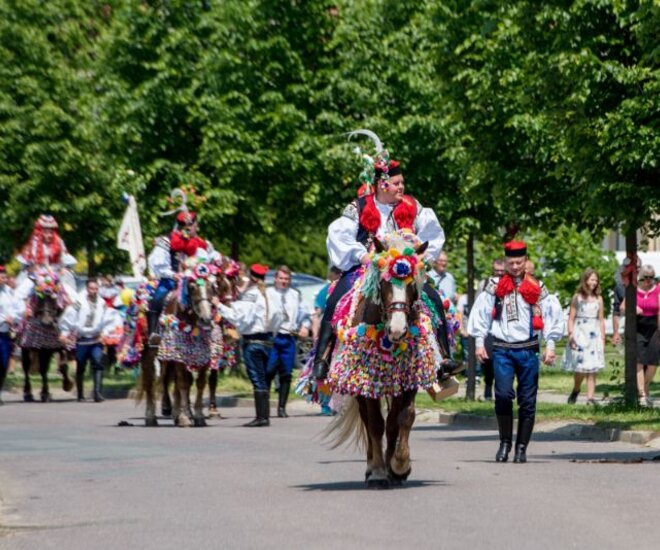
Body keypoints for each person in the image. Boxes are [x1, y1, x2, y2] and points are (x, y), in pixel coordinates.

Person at [313, 141, 460, 381]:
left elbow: (433, 234)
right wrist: (363, 255)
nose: (402, 187)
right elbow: (338, 235)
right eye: (397, 183)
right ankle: (323, 360)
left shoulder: (413, 206)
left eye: (402, 182)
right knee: (336, 299)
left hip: (406, 270)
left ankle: (444, 359)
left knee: (433, 299)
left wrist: (418, 250)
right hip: (366, 269)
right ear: (383, 184)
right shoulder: (358, 207)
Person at [467, 241, 564, 463]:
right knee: (502, 395)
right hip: (502, 349)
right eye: (511, 262)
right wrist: (480, 342)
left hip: (528, 350)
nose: (515, 266)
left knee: (528, 401)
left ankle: (521, 448)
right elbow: (481, 314)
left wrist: (550, 346)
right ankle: (504, 443)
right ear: (506, 262)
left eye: (519, 262)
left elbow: (551, 316)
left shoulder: (538, 287)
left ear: (526, 261)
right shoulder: (494, 286)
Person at [216, 264, 282, 427]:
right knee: (263, 379)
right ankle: (264, 416)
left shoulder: (250, 295)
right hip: (267, 341)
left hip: (252, 342)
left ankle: (262, 417)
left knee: (257, 380)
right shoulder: (270, 294)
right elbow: (279, 317)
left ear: (251, 278)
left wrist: (218, 305)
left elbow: (237, 317)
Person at [147, 210, 217, 344]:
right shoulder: (167, 241)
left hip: (198, 281)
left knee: (211, 296)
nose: (194, 228)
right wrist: (174, 274)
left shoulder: (202, 243)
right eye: (189, 226)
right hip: (172, 280)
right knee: (157, 297)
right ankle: (153, 332)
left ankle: (213, 327)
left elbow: (212, 258)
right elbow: (157, 263)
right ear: (182, 227)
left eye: (194, 225)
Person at [59, 279, 120, 402]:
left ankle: (97, 393)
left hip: (96, 339)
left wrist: (105, 332)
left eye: (96, 289)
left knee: (98, 362)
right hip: (82, 339)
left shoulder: (102, 303)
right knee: (81, 365)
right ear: (87, 289)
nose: (94, 291)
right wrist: (64, 333)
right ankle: (80, 393)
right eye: (92, 289)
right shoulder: (79, 303)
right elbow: (69, 317)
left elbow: (108, 319)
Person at [266, 265, 311, 418]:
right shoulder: (267, 293)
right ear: (275, 279)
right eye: (281, 278)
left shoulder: (295, 294)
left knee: (286, 373)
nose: (283, 281)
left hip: (288, 337)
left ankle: (281, 408)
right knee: (269, 371)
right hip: (272, 337)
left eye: (286, 279)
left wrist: (305, 326)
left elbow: (304, 314)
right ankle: (263, 406)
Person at [562, 269, 606, 405]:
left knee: (592, 368)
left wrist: (603, 339)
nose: (593, 282)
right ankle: (576, 389)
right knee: (580, 368)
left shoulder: (599, 299)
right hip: (580, 333)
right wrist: (570, 335)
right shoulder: (577, 297)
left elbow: (601, 320)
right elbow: (571, 318)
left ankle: (590, 398)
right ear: (585, 280)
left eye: (595, 280)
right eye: (591, 279)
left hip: (594, 334)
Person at [621, 265, 660, 407]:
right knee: (639, 360)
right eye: (646, 278)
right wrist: (633, 307)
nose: (649, 281)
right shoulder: (633, 290)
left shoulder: (658, 289)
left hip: (654, 326)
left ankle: (644, 385)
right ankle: (642, 394)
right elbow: (622, 307)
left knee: (653, 361)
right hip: (638, 326)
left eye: (652, 278)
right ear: (640, 278)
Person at [473, 258, 507, 400]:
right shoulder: (484, 283)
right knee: (489, 359)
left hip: (504, 327)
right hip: (488, 326)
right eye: (496, 271)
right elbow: (478, 304)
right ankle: (488, 384)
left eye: (502, 271)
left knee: (503, 359)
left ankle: (501, 389)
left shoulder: (510, 284)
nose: (499, 273)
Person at [0, 266, 25, 404]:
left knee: (4, 364)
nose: (4, 280)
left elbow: (19, 309)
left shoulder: (10, 293)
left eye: (5, 277)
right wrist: (2, 319)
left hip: (4, 334)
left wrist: (13, 318)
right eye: (2, 277)